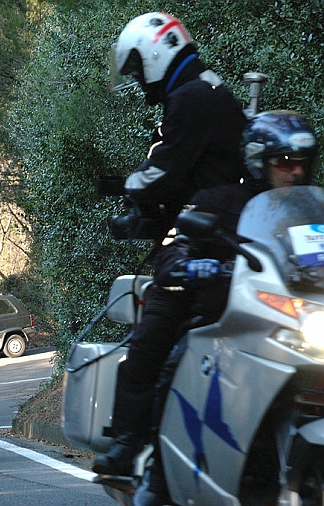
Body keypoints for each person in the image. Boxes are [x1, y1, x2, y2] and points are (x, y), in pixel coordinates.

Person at [131, 110, 320, 505]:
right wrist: (190, 261)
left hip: (290, 321)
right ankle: (158, 474)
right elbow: (171, 252)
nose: (295, 172)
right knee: (176, 360)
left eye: (301, 162)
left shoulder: (311, 215)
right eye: (284, 163)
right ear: (257, 162)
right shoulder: (217, 202)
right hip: (224, 321)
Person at [93, 11, 248, 479]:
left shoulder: (190, 99)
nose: (140, 81)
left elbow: (165, 173)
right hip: (241, 238)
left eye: (139, 68)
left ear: (156, 54)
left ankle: (127, 445)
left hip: (206, 239)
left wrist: (125, 187)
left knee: (151, 336)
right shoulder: (215, 89)